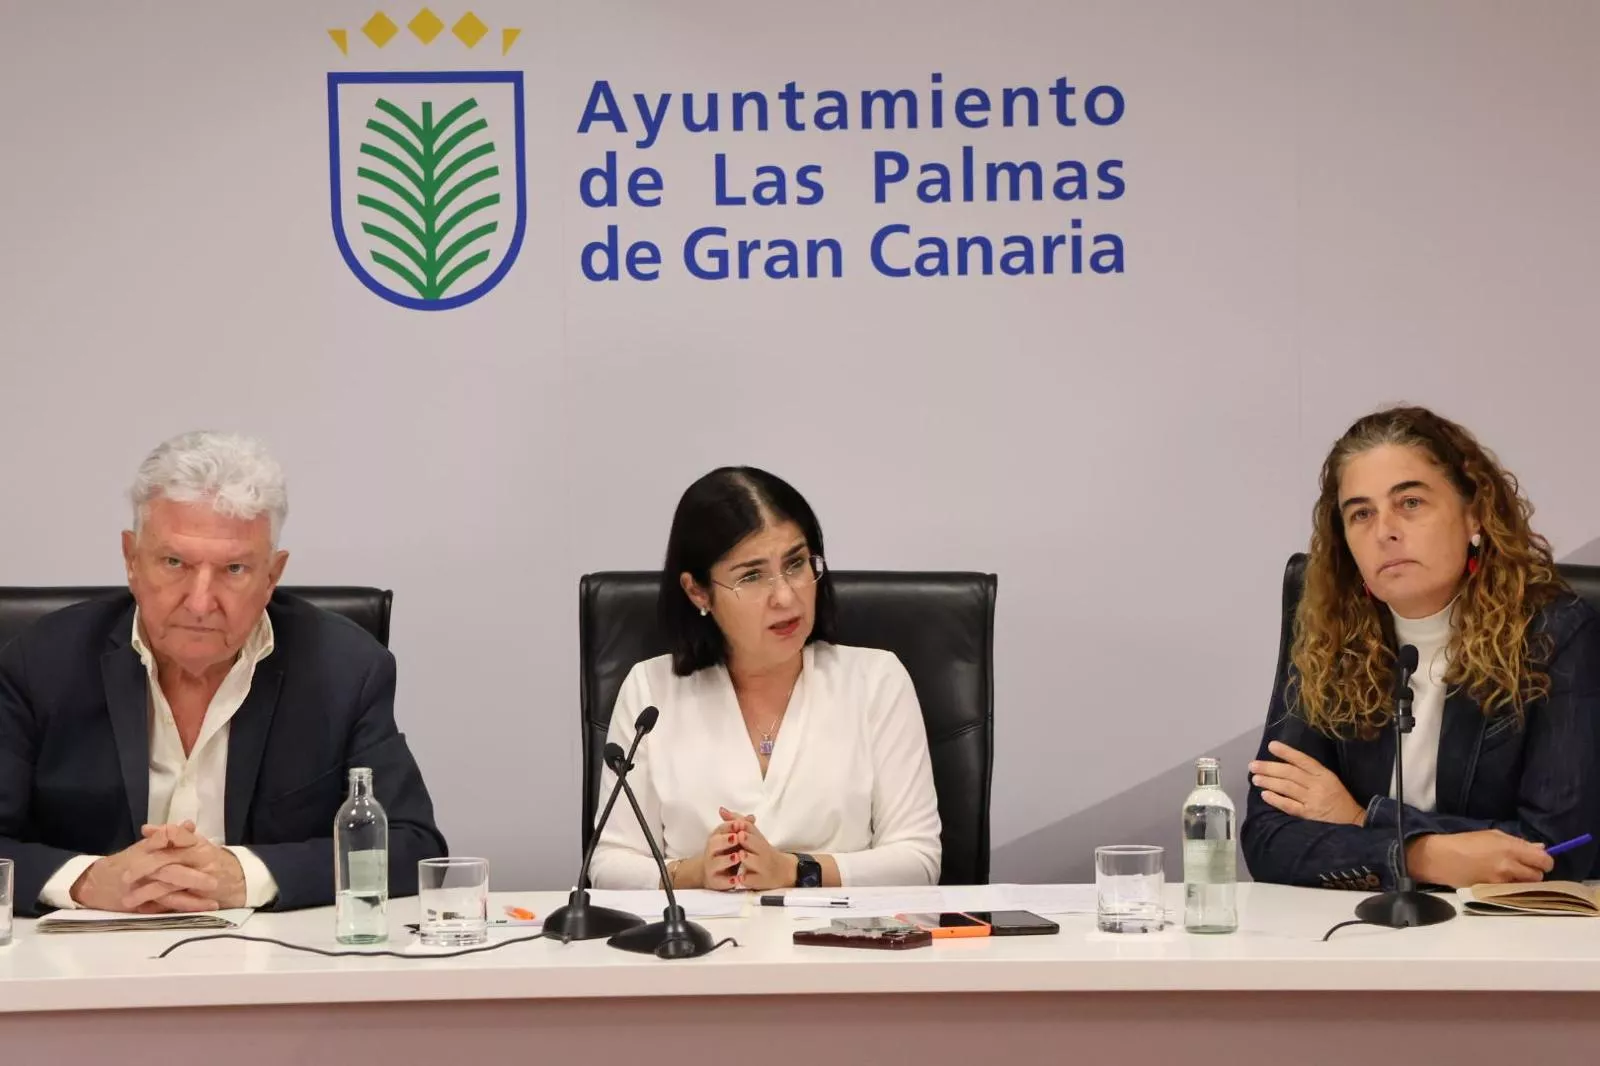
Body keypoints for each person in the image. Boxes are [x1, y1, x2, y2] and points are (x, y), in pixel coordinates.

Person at [0, 431, 446, 915]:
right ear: (131, 560)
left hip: (268, 955)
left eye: (234, 569)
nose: (200, 602)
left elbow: (411, 846)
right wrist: (86, 882)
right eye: (174, 562)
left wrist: (247, 876)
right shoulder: (41, 662)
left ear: (272, 576)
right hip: (85, 956)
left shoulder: (345, 669)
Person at [1242, 405, 1600, 890]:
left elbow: (1560, 847)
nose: (1384, 531)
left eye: (1410, 502)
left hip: (1508, 929)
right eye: (1361, 513)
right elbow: (1268, 835)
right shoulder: (1330, 633)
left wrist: (1364, 818)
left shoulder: (1554, 633)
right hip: (1363, 924)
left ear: (1474, 514)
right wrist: (1417, 857)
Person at [588, 467, 941, 890]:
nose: (786, 596)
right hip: (697, 932)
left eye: (796, 564)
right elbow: (607, 865)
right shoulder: (651, 689)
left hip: (841, 931)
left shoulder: (876, 681)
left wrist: (795, 870)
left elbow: (918, 861)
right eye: (752, 576)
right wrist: (695, 872)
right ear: (698, 591)